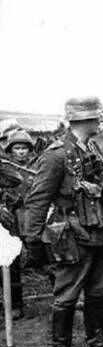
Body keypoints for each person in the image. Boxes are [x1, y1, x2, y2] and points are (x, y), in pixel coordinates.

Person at [23, 97, 103, 347]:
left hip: (100, 231)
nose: (101, 121)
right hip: (71, 236)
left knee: (97, 290)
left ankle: (99, 345)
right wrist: (33, 241)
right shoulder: (56, 155)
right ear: (85, 119)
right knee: (66, 295)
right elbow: (38, 199)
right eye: (98, 117)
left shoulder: (92, 147)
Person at [1, 130, 37, 320]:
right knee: (11, 262)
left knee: (46, 257)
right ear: (10, 150)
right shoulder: (6, 167)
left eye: (24, 148)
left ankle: (62, 297)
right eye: (17, 148)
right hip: (12, 219)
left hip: (33, 217)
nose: (21, 152)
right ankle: (14, 304)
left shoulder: (37, 166)